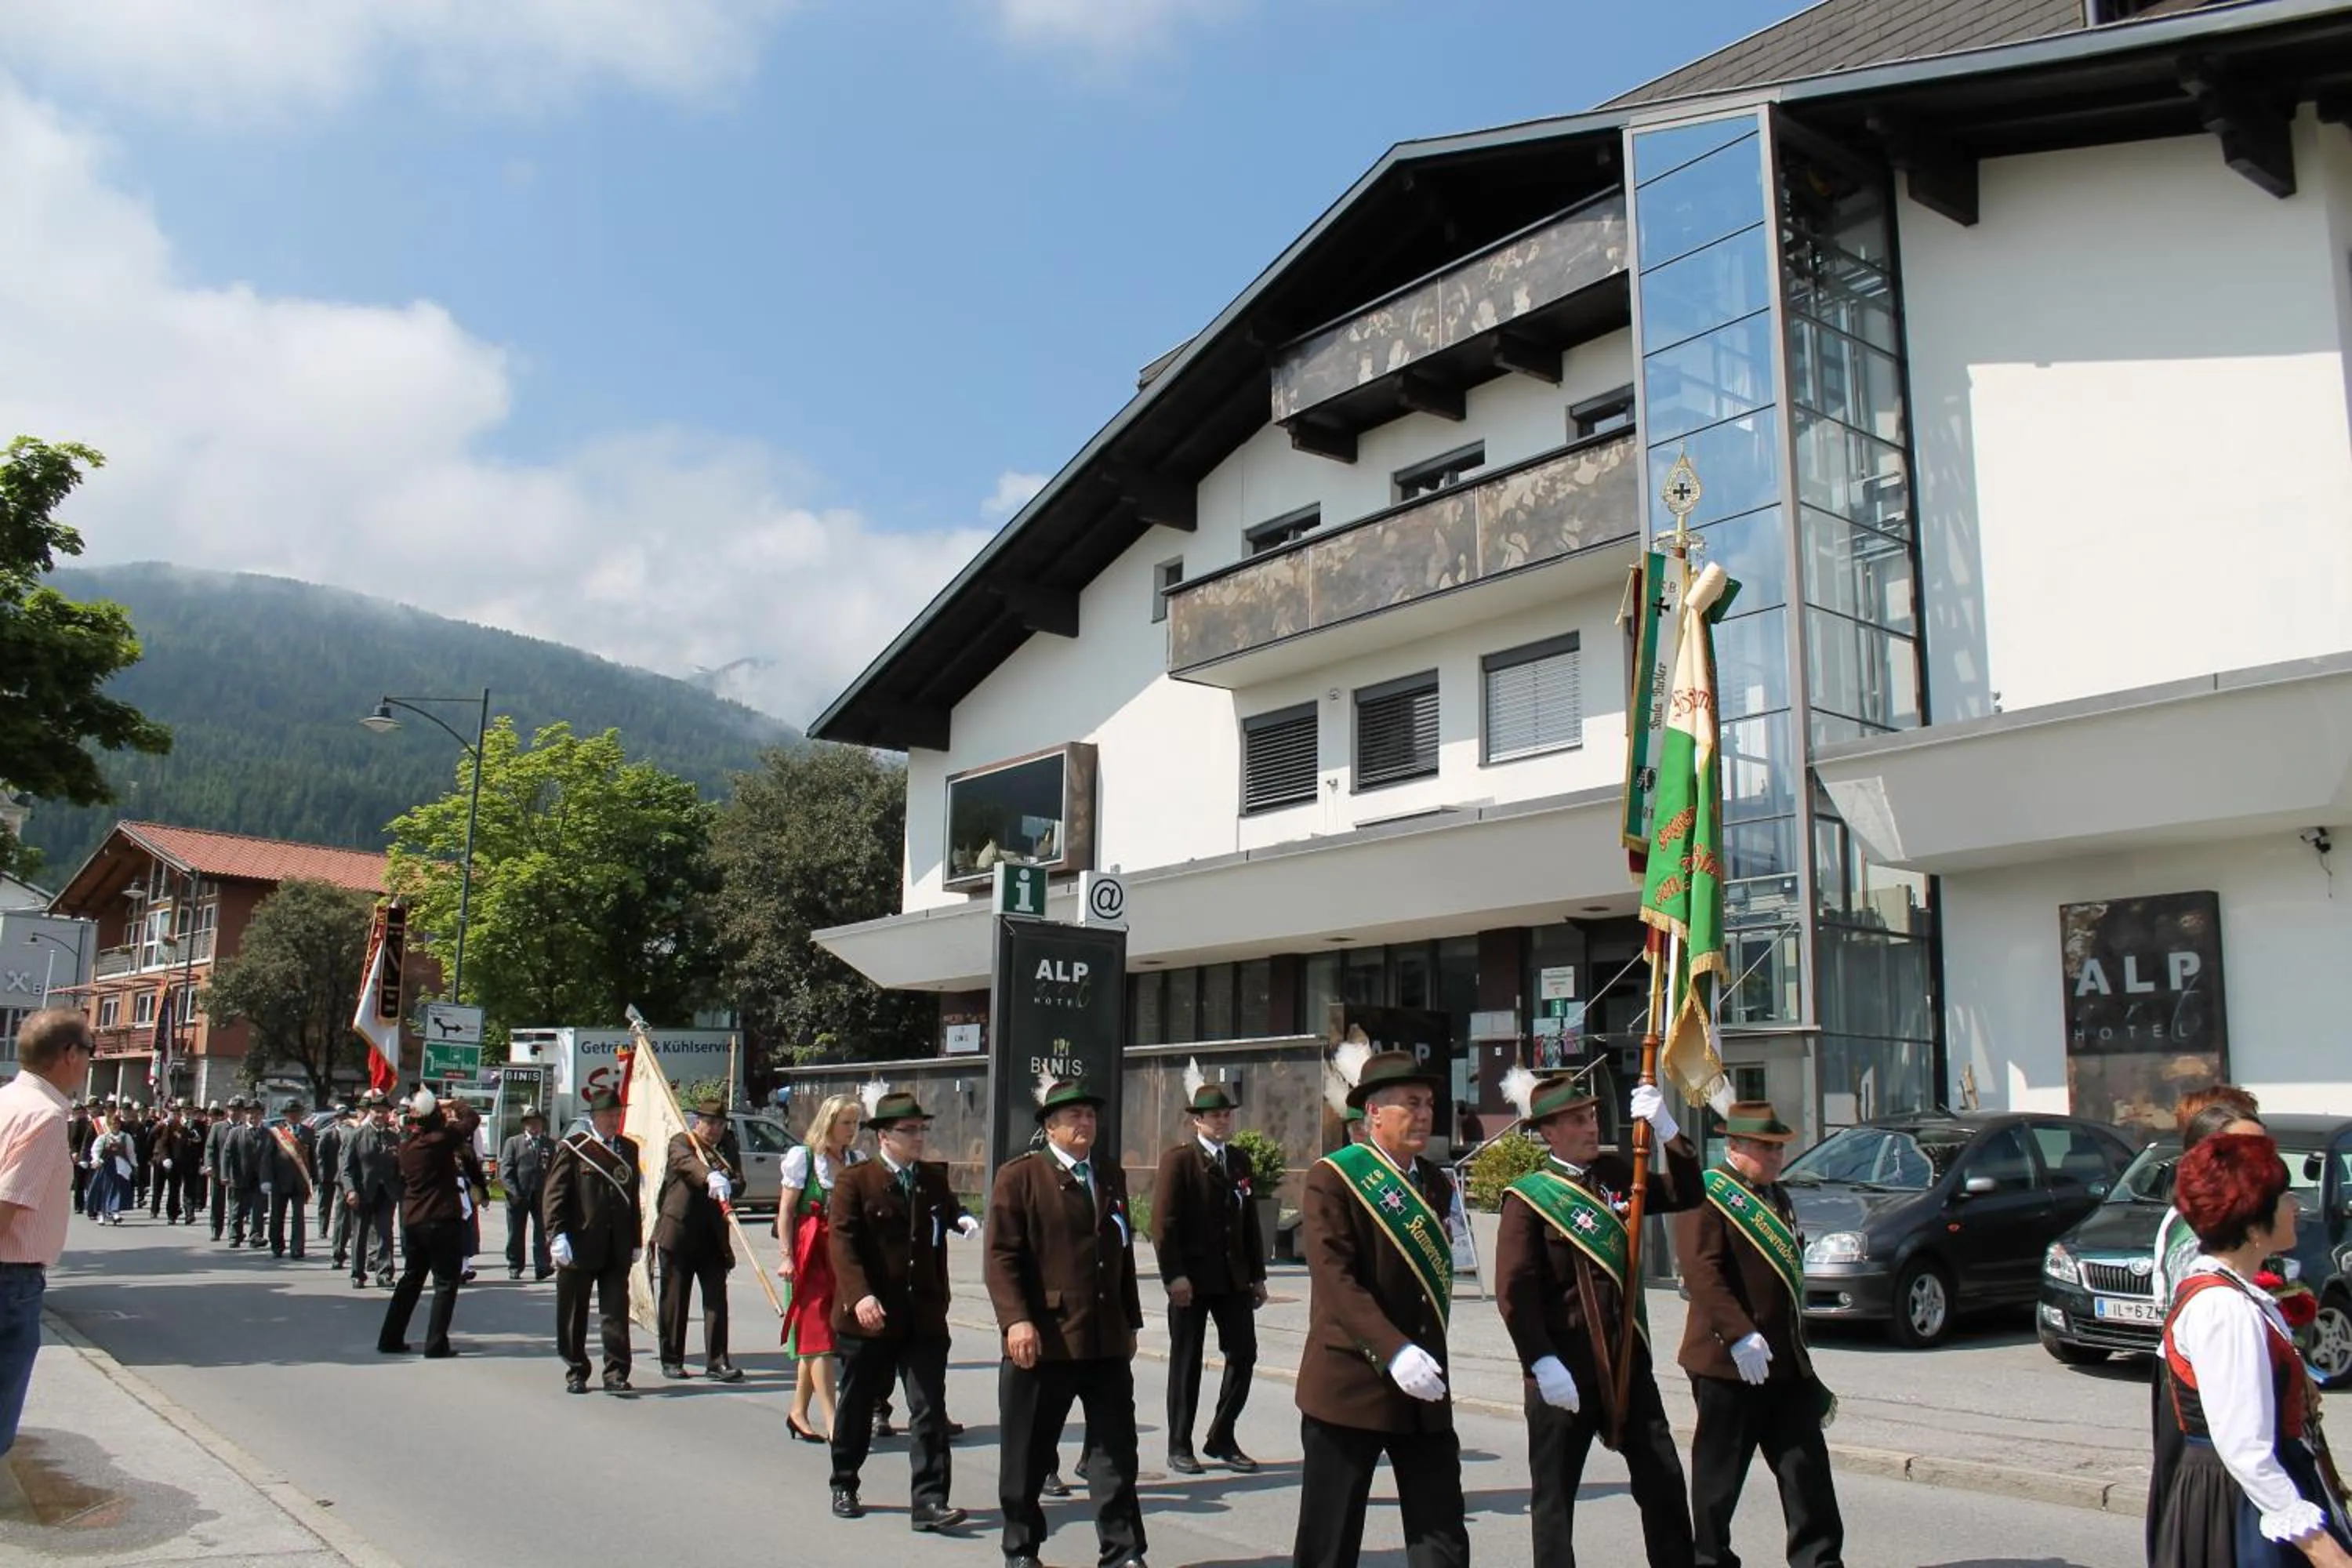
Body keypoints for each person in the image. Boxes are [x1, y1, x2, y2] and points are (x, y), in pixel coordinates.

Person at [1495, 1070, 1700, 1567]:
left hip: (1626, 1357)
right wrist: (1541, 1361)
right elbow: (1514, 1293)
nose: (1591, 1127)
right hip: (1563, 1367)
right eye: (1578, 1120)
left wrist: (1669, 1131)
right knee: (1554, 1501)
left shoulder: (1614, 1174)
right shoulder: (1528, 1200)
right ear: (1549, 1132)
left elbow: (1686, 1194)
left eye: (1592, 1116)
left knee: (1664, 1483)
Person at [1294, 1047, 1466, 1568]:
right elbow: (1335, 1280)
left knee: (1442, 1536)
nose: (1423, 1115)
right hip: (1351, 1384)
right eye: (1410, 1104)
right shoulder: (1335, 1178)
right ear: (1374, 1114)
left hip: (1424, 1388)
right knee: (1330, 1539)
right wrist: (1394, 1351)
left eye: (1429, 1104)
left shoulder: (1435, 1182)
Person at [2151, 1131, 2352, 1566]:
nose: (2296, 1205)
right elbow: (2246, 1450)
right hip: (2241, 1504)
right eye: (2283, 1196)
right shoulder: (2223, 1308)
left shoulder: (2236, 1294)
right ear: (2251, 1222)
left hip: (2244, 1491)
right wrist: (2327, 1552)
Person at [985, 1076, 1147, 1568]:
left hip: (1104, 1338)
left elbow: (1120, 1254)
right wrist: (1016, 1321)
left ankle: (1123, 1552)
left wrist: (1131, 1321)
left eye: (1091, 1115)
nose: (1085, 1122)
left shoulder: (1110, 1174)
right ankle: (1021, 1548)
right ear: (1050, 1127)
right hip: (1045, 1339)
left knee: (1116, 1452)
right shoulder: (1021, 1177)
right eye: (1074, 1116)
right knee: (1029, 1454)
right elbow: (1001, 1257)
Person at [1679, 1102, 1842, 1568]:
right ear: (1733, 1146)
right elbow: (1702, 1273)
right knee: (1719, 1479)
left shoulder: (1777, 1195)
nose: (1775, 1157)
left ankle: (1820, 1561)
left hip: (1783, 1363)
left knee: (1806, 1470)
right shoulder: (1705, 1195)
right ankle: (1710, 1560)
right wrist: (1739, 1334)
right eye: (1765, 1148)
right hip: (1727, 1363)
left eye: (1778, 1148)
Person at [825, 1087, 975, 1532]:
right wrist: (860, 1294)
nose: (918, 1137)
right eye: (908, 1130)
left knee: (928, 1408)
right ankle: (845, 1481)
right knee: (857, 1403)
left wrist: (961, 1217)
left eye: (921, 1129)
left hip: (922, 1314)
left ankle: (929, 1501)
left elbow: (942, 1211)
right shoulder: (856, 1181)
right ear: (883, 1137)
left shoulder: (931, 1178)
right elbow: (843, 1244)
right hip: (869, 1316)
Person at [1150, 1064, 1265, 1475]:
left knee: (1244, 1354)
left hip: (1233, 1277)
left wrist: (1258, 1275)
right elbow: (1163, 1225)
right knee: (1187, 1361)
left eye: (1226, 1114)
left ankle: (1221, 1435)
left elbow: (1248, 1220)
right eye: (1214, 1115)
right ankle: (1179, 1443)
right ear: (1196, 1120)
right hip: (1192, 1280)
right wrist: (1173, 1276)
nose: (1222, 1121)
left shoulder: (1238, 1160)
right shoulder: (1180, 1161)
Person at [0, 1012, 87, 1453]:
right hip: (10, 1277)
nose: (89, 1062)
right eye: (90, 1050)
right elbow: (6, 1204)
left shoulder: (6, 1101)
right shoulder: (45, 1117)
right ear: (69, 1054)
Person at [544, 1087, 641, 1395]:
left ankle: (616, 1374)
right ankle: (576, 1370)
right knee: (574, 1312)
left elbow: (632, 1199)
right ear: (594, 1118)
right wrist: (555, 1235)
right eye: (609, 1116)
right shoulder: (574, 1149)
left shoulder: (628, 1149)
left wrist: (636, 1238)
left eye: (617, 1114)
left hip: (617, 1244)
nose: (614, 1121)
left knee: (616, 1313)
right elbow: (554, 1195)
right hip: (580, 1242)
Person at [779, 1092, 862, 1442]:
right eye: (846, 1123)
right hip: (809, 1253)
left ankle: (798, 1412)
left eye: (855, 1123)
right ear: (828, 1123)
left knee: (822, 1338)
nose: (852, 1130)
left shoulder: (856, 1159)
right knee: (820, 1339)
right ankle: (834, 1420)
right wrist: (785, 1256)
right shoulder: (804, 1159)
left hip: (841, 1256)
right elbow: (785, 1212)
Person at [376, 1089, 481, 1359]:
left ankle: (390, 1337)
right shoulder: (441, 1140)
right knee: (446, 1284)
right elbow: (471, 1119)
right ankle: (436, 1343)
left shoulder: (408, 1146)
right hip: (442, 1220)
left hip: (413, 1221)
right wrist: (454, 1102)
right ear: (436, 1118)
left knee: (411, 1280)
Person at [655, 1098, 744, 1381]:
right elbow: (685, 1164)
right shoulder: (682, 1142)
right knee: (675, 1299)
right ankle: (671, 1359)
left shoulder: (728, 1145)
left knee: (717, 1300)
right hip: (679, 1232)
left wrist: (731, 1184)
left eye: (720, 1123)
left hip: (713, 1235)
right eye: (710, 1123)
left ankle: (717, 1362)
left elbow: (740, 1180)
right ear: (698, 1122)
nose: (715, 1129)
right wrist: (710, 1177)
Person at [343, 1091, 402, 1287]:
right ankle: (358, 1273)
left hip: (386, 1193)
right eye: (376, 1111)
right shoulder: (357, 1135)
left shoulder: (393, 1137)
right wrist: (351, 1190)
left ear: (388, 1114)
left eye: (383, 1111)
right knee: (360, 1234)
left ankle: (384, 1273)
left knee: (385, 1233)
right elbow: (346, 1169)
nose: (379, 1115)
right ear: (370, 1112)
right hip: (363, 1192)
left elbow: (399, 1167)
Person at [499, 1107, 556, 1281]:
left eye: (538, 1123)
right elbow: (506, 1170)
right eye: (531, 1123)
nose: (535, 1126)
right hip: (518, 1195)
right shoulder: (513, 1142)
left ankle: (542, 1266)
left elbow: (555, 1170)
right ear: (525, 1125)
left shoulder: (549, 1144)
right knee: (516, 1233)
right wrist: (513, 1192)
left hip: (541, 1196)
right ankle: (515, 1266)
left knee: (542, 1233)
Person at [267, 1097, 316, 1260]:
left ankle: (297, 1248)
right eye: (290, 1113)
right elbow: (267, 1158)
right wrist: (266, 1179)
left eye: (296, 1113)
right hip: (279, 1181)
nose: (293, 1116)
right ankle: (277, 1245)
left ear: (301, 1114)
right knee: (277, 1216)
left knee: (298, 1217)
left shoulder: (308, 1132)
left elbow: (313, 1158)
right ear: (285, 1115)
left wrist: (315, 1179)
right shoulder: (276, 1133)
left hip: (300, 1181)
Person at [223, 1099, 270, 1248]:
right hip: (240, 1175)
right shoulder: (236, 1132)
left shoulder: (268, 1134)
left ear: (262, 1115)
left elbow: (273, 1156)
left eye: (256, 1114)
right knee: (238, 1208)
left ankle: (256, 1236)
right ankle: (235, 1235)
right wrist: (225, 1174)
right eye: (250, 1113)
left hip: (260, 1178)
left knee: (258, 1209)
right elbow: (227, 1154)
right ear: (245, 1114)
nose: (253, 1116)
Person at [88, 1108, 135, 1225]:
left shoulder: (126, 1137)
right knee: (104, 1190)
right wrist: (96, 1159)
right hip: (106, 1167)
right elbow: (95, 1150)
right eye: (113, 1124)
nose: (116, 1126)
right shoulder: (104, 1138)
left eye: (118, 1124)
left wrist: (134, 1165)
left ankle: (115, 1212)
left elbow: (131, 1152)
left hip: (121, 1168)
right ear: (109, 1125)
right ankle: (102, 1214)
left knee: (118, 1189)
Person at [314, 1103, 347, 1243]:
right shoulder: (327, 1134)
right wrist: (320, 1173)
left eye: (345, 1118)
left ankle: (345, 1230)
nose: (342, 1121)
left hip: (343, 1176)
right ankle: (323, 1229)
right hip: (328, 1174)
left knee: (343, 1207)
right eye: (340, 1118)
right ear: (336, 1120)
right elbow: (319, 1155)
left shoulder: (351, 1133)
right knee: (324, 1204)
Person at [205, 1098, 238, 1239]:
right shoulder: (218, 1127)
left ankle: (233, 1230)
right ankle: (216, 1228)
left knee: (234, 1203)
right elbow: (210, 1147)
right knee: (217, 1202)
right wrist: (209, 1165)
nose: (234, 1112)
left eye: (238, 1110)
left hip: (236, 1171)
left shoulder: (243, 1128)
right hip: (218, 1169)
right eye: (232, 1109)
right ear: (227, 1111)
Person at [66, 1102, 93, 1220]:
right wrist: (73, 1152)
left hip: (89, 1154)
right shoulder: (71, 1124)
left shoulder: (89, 1123)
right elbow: (71, 1140)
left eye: (81, 1112)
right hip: (76, 1154)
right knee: (79, 1181)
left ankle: (90, 1202)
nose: (79, 1114)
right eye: (76, 1112)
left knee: (89, 1180)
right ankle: (79, 1205)